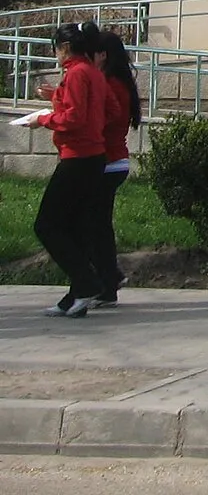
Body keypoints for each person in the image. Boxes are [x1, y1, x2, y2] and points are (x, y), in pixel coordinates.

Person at [31, 22, 110, 318]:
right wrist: (56, 97)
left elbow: (74, 117)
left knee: (47, 225)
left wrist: (44, 120)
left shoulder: (76, 73)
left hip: (78, 157)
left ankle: (87, 283)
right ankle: (76, 295)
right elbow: (101, 110)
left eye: (56, 49)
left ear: (64, 48)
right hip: (93, 155)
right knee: (75, 228)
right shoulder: (92, 73)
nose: (56, 54)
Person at [87, 29, 142, 309]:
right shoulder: (120, 82)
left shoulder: (109, 84)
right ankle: (109, 283)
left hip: (107, 161)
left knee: (90, 225)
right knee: (98, 224)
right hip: (114, 161)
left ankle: (107, 277)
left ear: (103, 55)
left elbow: (104, 119)